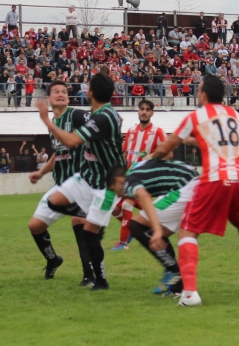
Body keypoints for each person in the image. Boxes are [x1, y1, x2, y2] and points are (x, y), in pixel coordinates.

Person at [146, 75, 239, 306]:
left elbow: (167, 146)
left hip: (217, 178)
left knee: (187, 232)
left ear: (204, 95)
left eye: (198, 91)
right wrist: (194, 141)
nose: (197, 94)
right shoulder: (234, 115)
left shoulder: (196, 116)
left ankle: (189, 294)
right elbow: (222, 142)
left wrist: (149, 159)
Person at [37, 74, 123, 291]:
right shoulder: (98, 114)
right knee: (54, 202)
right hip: (86, 177)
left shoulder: (102, 117)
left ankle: (100, 280)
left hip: (107, 185)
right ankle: (88, 214)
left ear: (90, 93)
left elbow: (72, 140)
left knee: (89, 233)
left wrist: (46, 120)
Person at [26, 81, 95, 286]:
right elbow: (59, 153)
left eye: (64, 92)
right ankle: (53, 259)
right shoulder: (54, 123)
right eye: (56, 91)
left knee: (78, 220)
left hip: (81, 182)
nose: (61, 94)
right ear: (48, 99)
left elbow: (98, 123)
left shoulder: (76, 115)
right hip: (61, 185)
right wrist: (40, 172)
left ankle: (89, 276)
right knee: (35, 226)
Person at [107, 160, 200, 296]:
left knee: (136, 225)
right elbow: (164, 156)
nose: (117, 195)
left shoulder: (128, 182)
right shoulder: (136, 167)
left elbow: (144, 196)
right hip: (193, 184)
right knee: (154, 233)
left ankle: (174, 272)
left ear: (119, 180)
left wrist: (157, 229)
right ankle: (177, 286)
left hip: (186, 188)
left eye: (113, 189)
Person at [112, 99, 166, 252]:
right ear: (138, 111)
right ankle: (137, 228)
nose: (144, 112)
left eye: (147, 109)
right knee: (114, 210)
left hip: (144, 179)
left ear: (152, 113)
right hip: (128, 178)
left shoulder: (158, 132)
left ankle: (123, 243)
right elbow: (123, 152)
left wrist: (152, 158)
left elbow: (167, 151)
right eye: (141, 109)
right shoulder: (131, 131)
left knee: (127, 204)